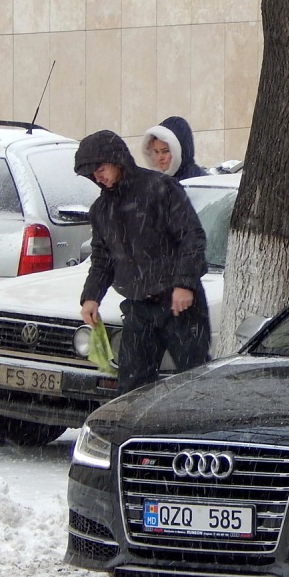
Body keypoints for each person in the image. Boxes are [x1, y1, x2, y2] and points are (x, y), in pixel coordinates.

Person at [74, 129, 210, 394]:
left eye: (101, 169)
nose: (98, 177)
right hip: (138, 306)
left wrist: (184, 284)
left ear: (117, 161)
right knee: (132, 386)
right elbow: (102, 258)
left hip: (180, 305)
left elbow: (191, 237)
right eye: (93, 174)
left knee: (193, 382)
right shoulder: (102, 210)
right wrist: (91, 297)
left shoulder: (160, 188)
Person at [140, 116, 206, 180]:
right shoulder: (156, 182)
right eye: (156, 152)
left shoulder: (197, 181)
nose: (160, 157)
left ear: (181, 151)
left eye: (165, 151)